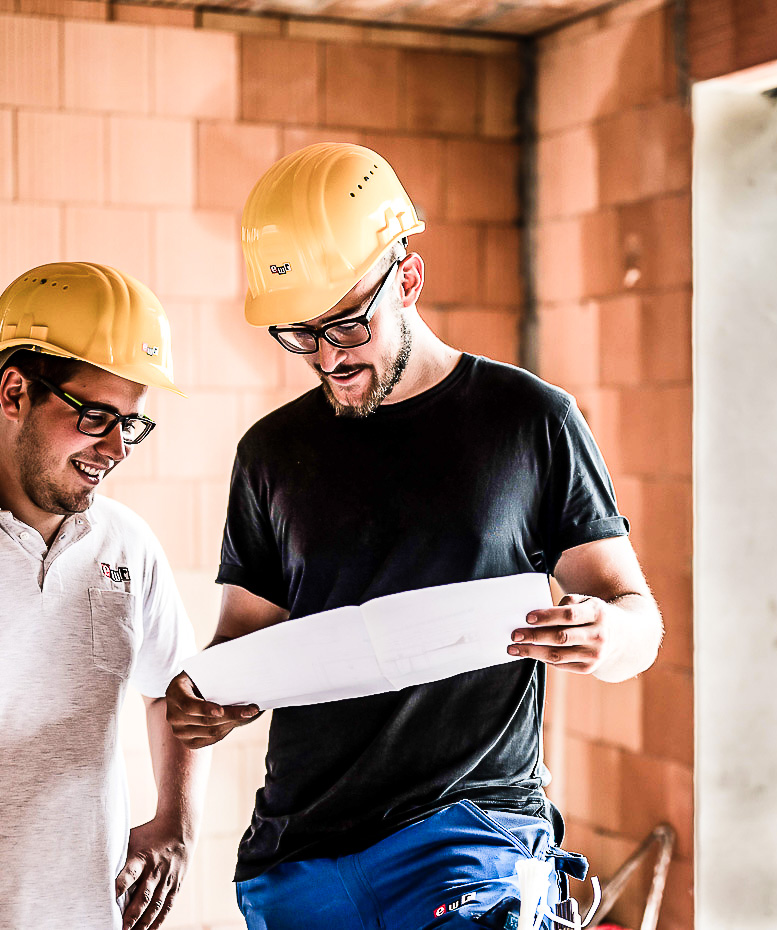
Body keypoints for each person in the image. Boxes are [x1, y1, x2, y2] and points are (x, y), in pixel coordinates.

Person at [166, 143, 663, 930]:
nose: (328, 357)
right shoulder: (269, 453)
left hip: (470, 833)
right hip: (299, 854)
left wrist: (610, 633)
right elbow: (244, 649)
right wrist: (213, 702)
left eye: (347, 324)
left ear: (408, 278)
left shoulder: (530, 420)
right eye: (300, 334)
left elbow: (636, 613)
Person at [0, 262, 209, 930]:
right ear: (13, 393)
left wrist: (178, 823)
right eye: (95, 416)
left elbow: (175, 687)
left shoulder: (127, 546)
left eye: (132, 423)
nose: (116, 447)